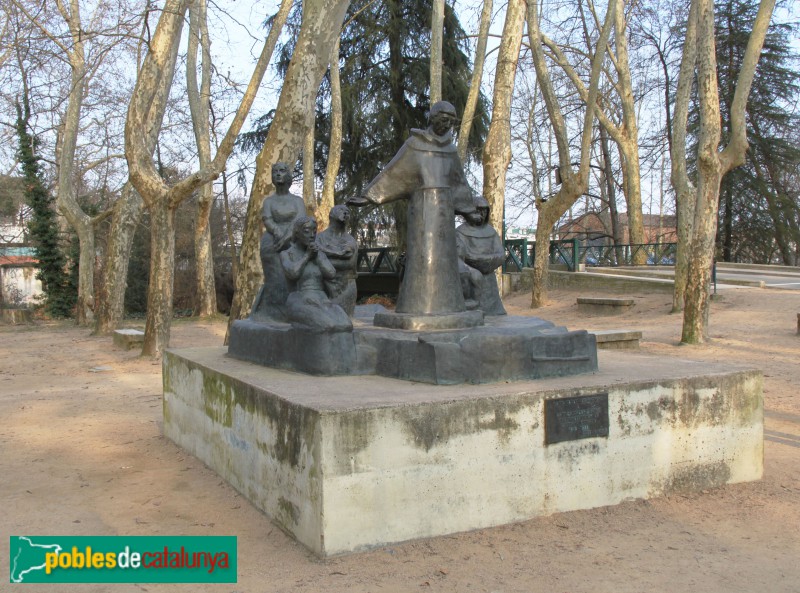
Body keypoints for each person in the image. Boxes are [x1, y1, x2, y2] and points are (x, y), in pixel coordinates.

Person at [348, 101, 476, 317]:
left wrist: (469, 208)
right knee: (422, 259)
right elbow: (392, 174)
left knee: (445, 261)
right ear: (432, 118)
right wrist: (369, 197)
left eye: (450, 121)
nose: (446, 124)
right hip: (422, 213)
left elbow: (459, 184)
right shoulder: (414, 145)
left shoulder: (451, 150)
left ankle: (450, 305)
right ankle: (416, 305)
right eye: (443, 119)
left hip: (445, 216)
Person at [251, 162, 306, 321]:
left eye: (282, 171)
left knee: (295, 272)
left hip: (295, 239)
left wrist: (287, 236)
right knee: (275, 275)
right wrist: (278, 233)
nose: (278, 174)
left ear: (288, 175)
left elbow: (300, 220)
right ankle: (273, 311)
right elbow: (267, 219)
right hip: (273, 241)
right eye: (275, 172)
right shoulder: (269, 201)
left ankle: (296, 310)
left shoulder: (297, 200)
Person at [281, 216, 352, 332]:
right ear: (297, 233)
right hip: (300, 300)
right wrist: (307, 256)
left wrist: (317, 255)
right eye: (307, 231)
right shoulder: (287, 254)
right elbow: (293, 274)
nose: (312, 235)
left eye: (314, 231)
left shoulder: (318, 254)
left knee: (346, 325)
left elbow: (331, 273)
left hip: (322, 300)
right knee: (327, 325)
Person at [456, 196, 507, 315]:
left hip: (489, 280)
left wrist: (486, 261)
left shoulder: (491, 232)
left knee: (494, 315)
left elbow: (501, 254)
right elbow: (461, 255)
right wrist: (477, 260)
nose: (482, 213)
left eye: (484, 210)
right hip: (470, 278)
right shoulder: (460, 232)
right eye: (478, 210)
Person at [316, 205, 358, 316]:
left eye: (347, 211)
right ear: (331, 215)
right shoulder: (319, 238)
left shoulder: (350, 241)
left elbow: (350, 264)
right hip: (323, 286)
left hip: (346, 285)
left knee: (343, 319)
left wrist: (324, 261)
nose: (345, 213)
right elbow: (314, 260)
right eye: (341, 210)